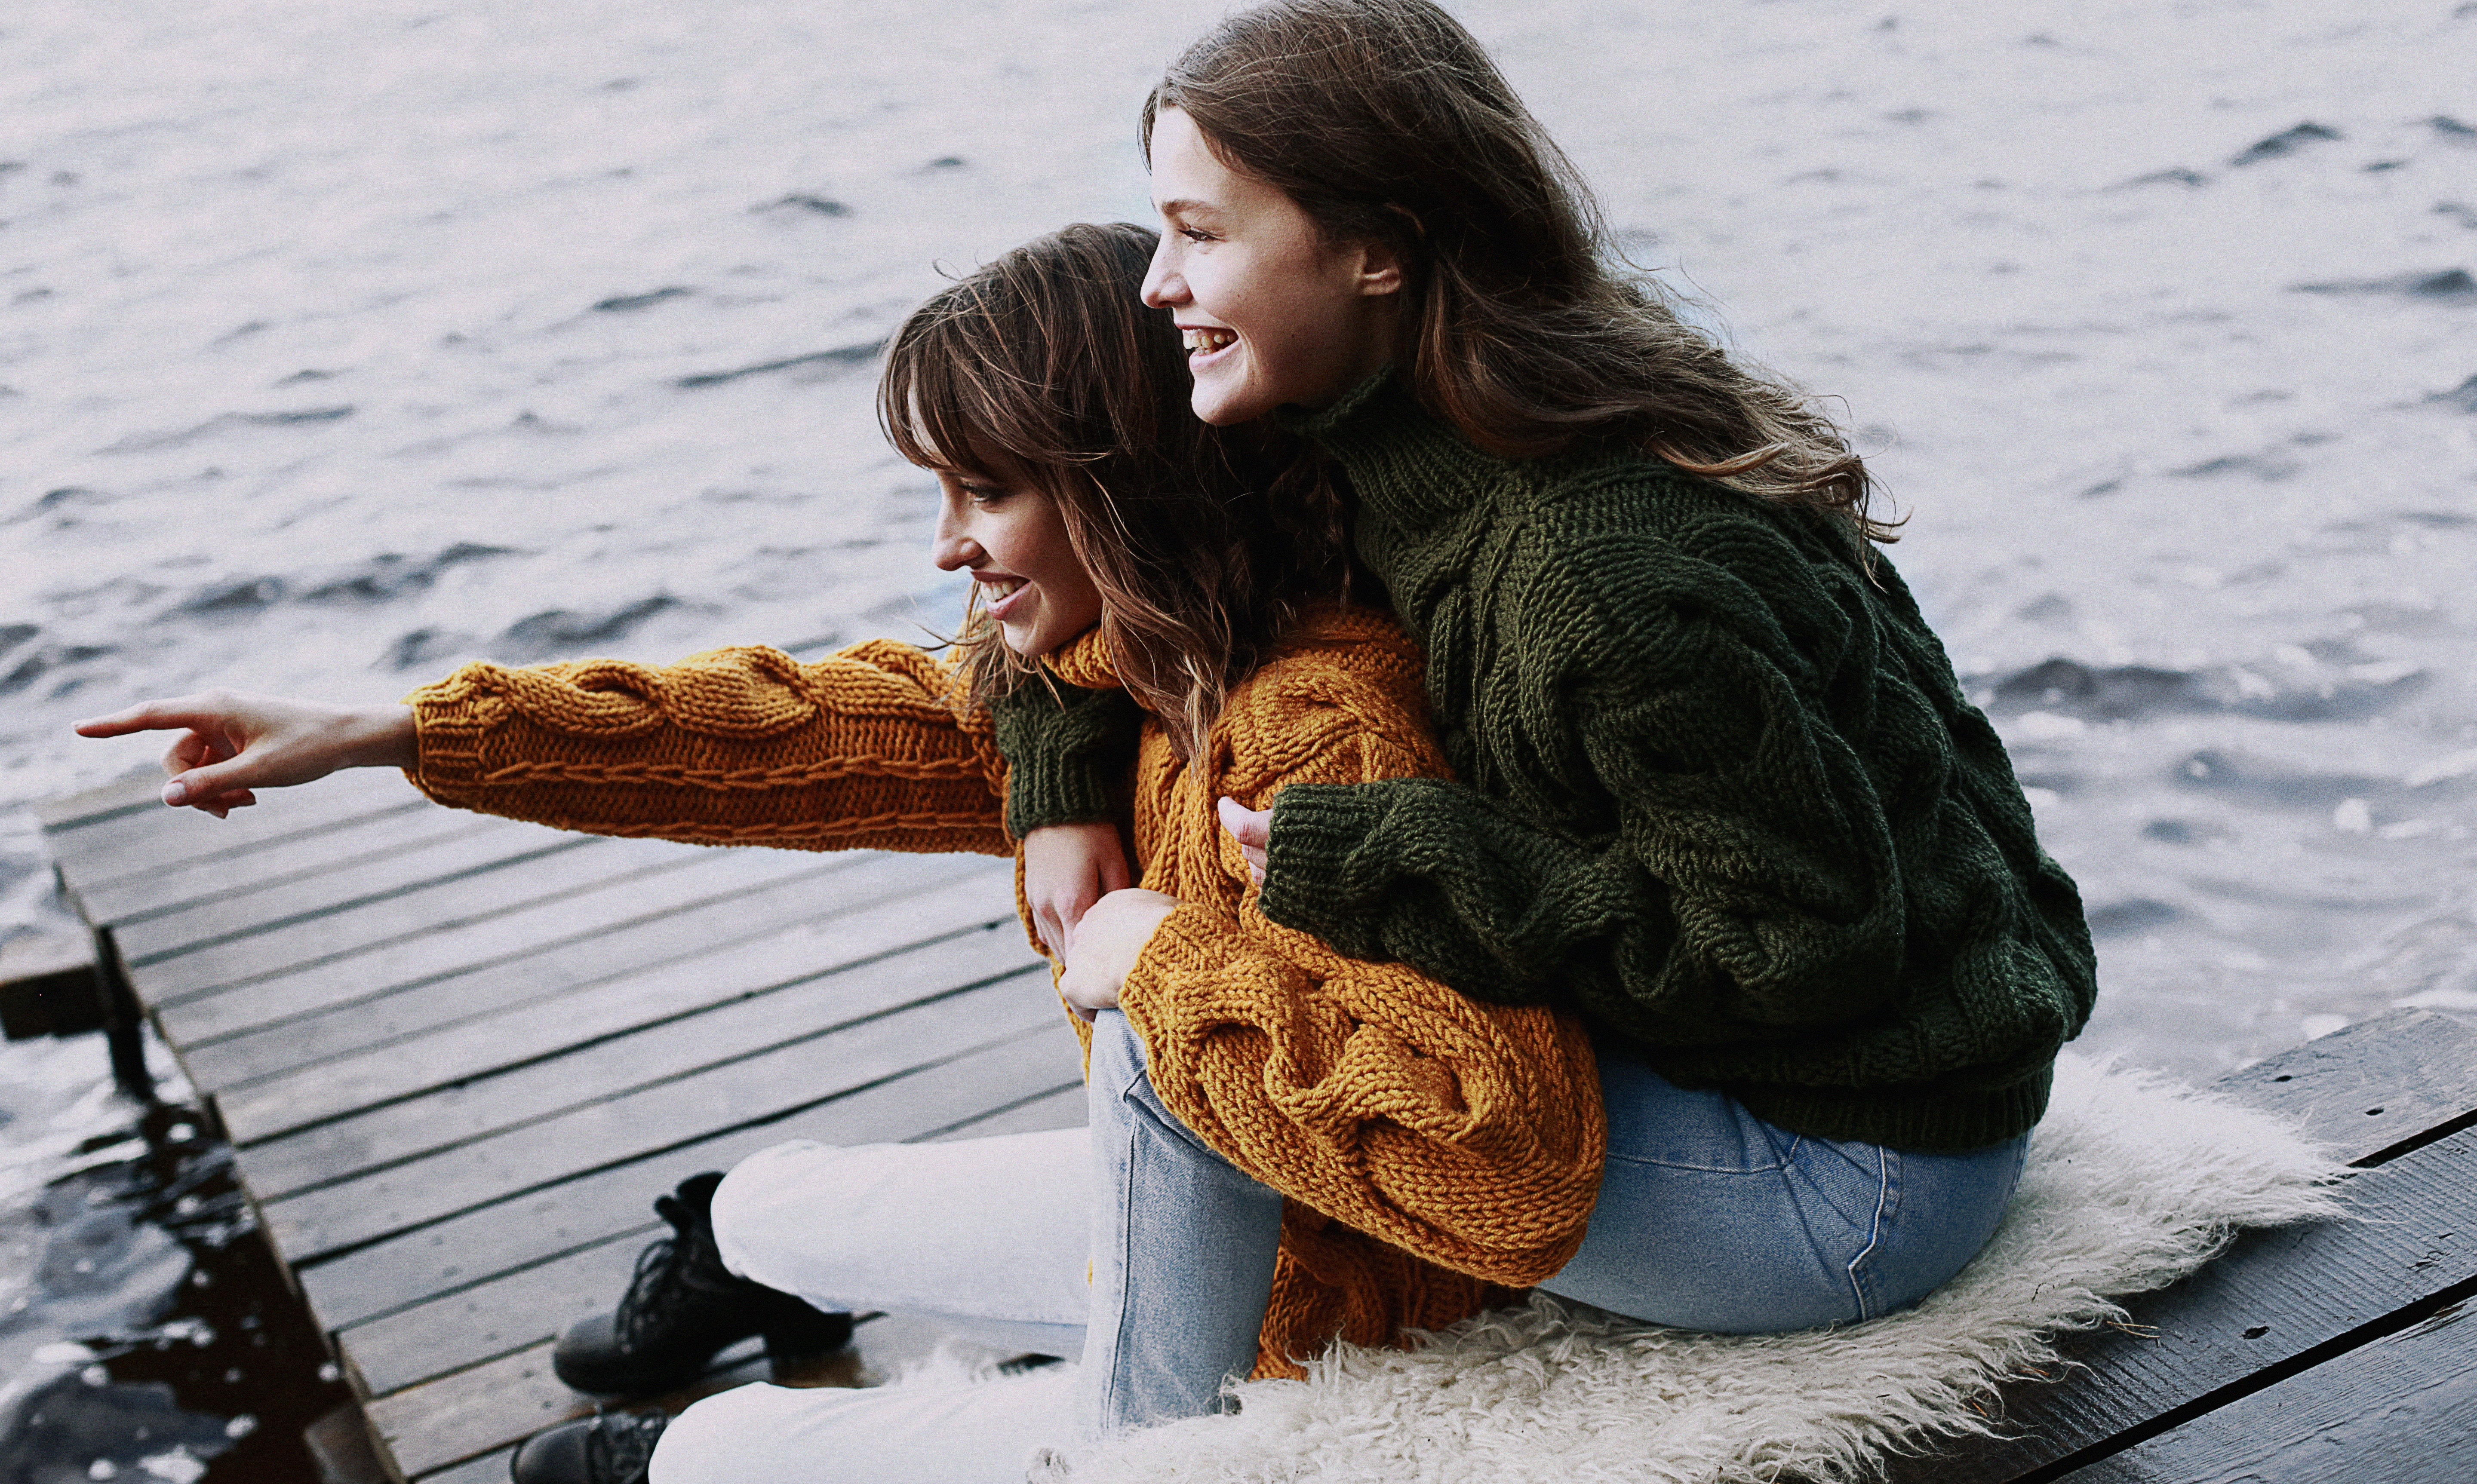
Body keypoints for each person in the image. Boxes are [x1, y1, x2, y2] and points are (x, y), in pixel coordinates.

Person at [75, 222, 1607, 1484]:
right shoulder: (1101, 683)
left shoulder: (1320, 732)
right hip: (1207, 1204)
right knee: (779, 1208)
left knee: (712, 1459)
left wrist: (1162, 950)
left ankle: (705, 1431)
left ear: (1127, 475)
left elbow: (1496, 1150)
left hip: (1317, 1316)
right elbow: (773, 730)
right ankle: (734, 1240)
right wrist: (385, 730)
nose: (947, 546)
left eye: (986, 491)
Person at [999, 0, 2098, 1349]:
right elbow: (1082, 546)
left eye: (1200, 235)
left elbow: (1802, 953)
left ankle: (1144, 1463)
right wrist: (1056, 782)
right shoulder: (1362, 416)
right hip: (1748, 1074)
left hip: (1860, 1166)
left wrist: (1414, 857)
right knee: (1227, 1025)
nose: (1158, 285)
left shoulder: (1601, 570)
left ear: (1377, 254)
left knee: (1192, 1022)